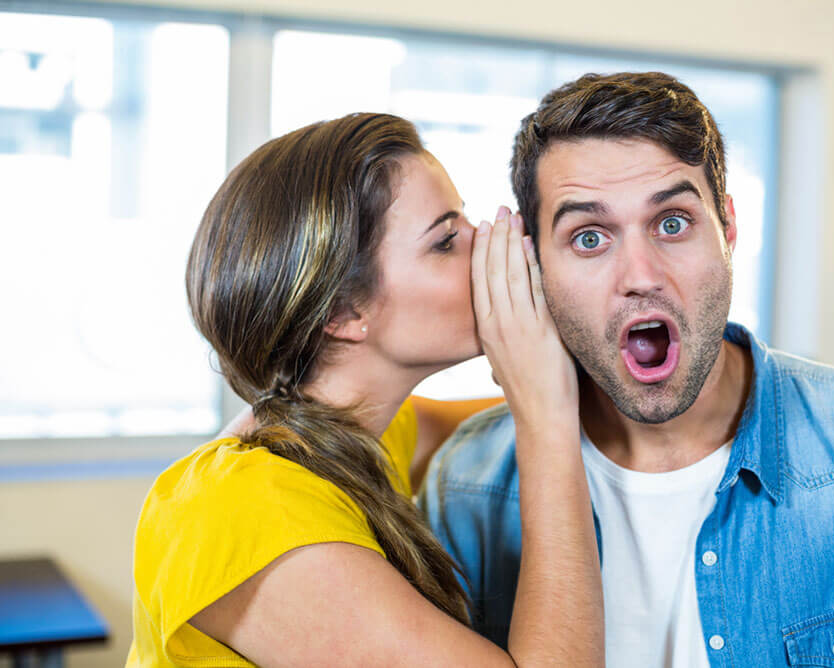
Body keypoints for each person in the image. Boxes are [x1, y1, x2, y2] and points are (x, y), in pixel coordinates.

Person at [419, 72, 834, 666]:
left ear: (729, 228)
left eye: (672, 223)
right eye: (589, 237)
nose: (640, 275)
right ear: (534, 265)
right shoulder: (465, 486)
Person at [128, 113, 603, 667]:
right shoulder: (246, 510)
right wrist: (545, 418)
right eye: (447, 241)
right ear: (343, 312)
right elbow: (532, 411)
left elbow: (472, 421)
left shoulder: (352, 434)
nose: (492, 246)